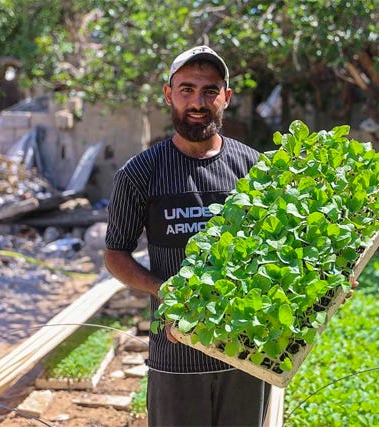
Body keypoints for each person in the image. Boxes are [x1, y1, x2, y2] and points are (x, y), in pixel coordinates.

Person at [104, 45, 271, 426]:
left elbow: (281, 253)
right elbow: (116, 254)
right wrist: (162, 288)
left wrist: (327, 282)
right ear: (168, 94)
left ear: (226, 98)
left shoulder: (255, 170)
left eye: (210, 91)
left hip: (244, 352)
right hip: (176, 356)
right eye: (186, 90)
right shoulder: (141, 173)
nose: (198, 102)